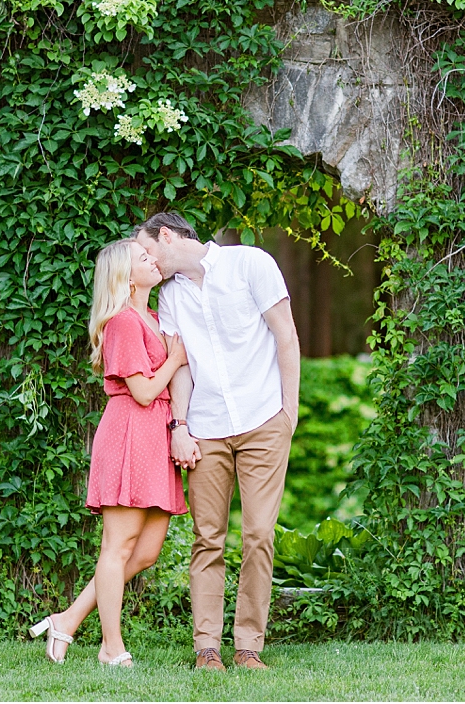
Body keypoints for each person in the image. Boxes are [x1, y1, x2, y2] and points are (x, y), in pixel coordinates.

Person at [135, 212, 300, 672]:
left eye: (146, 251)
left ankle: (248, 646)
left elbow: (286, 336)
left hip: (263, 418)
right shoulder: (170, 296)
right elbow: (181, 365)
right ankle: (206, 647)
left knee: (259, 535)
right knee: (207, 538)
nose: (145, 261)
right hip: (205, 429)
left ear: (166, 236)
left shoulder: (251, 264)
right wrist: (180, 426)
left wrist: (289, 412)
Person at [30, 238, 188, 668]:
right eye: (143, 258)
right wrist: (175, 359)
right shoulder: (122, 322)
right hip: (130, 433)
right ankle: (111, 647)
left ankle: (67, 619)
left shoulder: (153, 317)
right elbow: (143, 392)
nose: (153, 260)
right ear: (126, 277)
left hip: (155, 437)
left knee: (146, 552)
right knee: (117, 548)